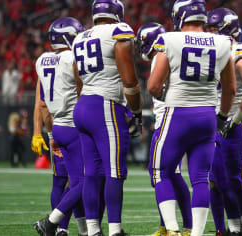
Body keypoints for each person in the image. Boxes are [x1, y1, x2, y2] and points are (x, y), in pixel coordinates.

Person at [148, 0, 236, 235]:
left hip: (177, 113)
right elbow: (230, 90)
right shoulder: (223, 41)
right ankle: (196, 233)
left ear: (180, 16)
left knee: (160, 172)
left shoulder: (169, 39)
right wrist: (222, 116)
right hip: (208, 114)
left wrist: (168, 93)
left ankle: (174, 230)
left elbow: (153, 86)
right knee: (200, 178)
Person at [72, 0, 142, 235]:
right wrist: (137, 110)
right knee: (115, 171)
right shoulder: (118, 30)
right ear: (117, 13)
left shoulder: (79, 37)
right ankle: (114, 230)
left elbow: (78, 80)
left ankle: (92, 231)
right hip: (105, 106)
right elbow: (130, 81)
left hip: (83, 106)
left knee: (91, 172)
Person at [206, 7, 242, 236]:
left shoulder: (239, 50)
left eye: (213, 28)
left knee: (238, 177)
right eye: (207, 28)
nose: (209, 33)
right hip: (214, 122)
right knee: (218, 180)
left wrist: (240, 115)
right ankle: (233, 229)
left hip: (235, 122)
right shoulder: (209, 52)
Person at [32, 17, 88, 236]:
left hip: (57, 127)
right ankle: (54, 224)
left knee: (63, 181)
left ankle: (66, 230)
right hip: (75, 127)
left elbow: (42, 102)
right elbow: (82, 88)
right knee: (84, 181)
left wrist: (45, 132)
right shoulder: (72, 58)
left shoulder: (42, 60)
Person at [136, 22, 192, 236]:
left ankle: (183, 226)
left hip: (170, 122)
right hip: (167, 120)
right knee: (166, 175)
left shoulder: (165, 56)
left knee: (166, 174)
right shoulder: (169, 54)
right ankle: (168, 225)